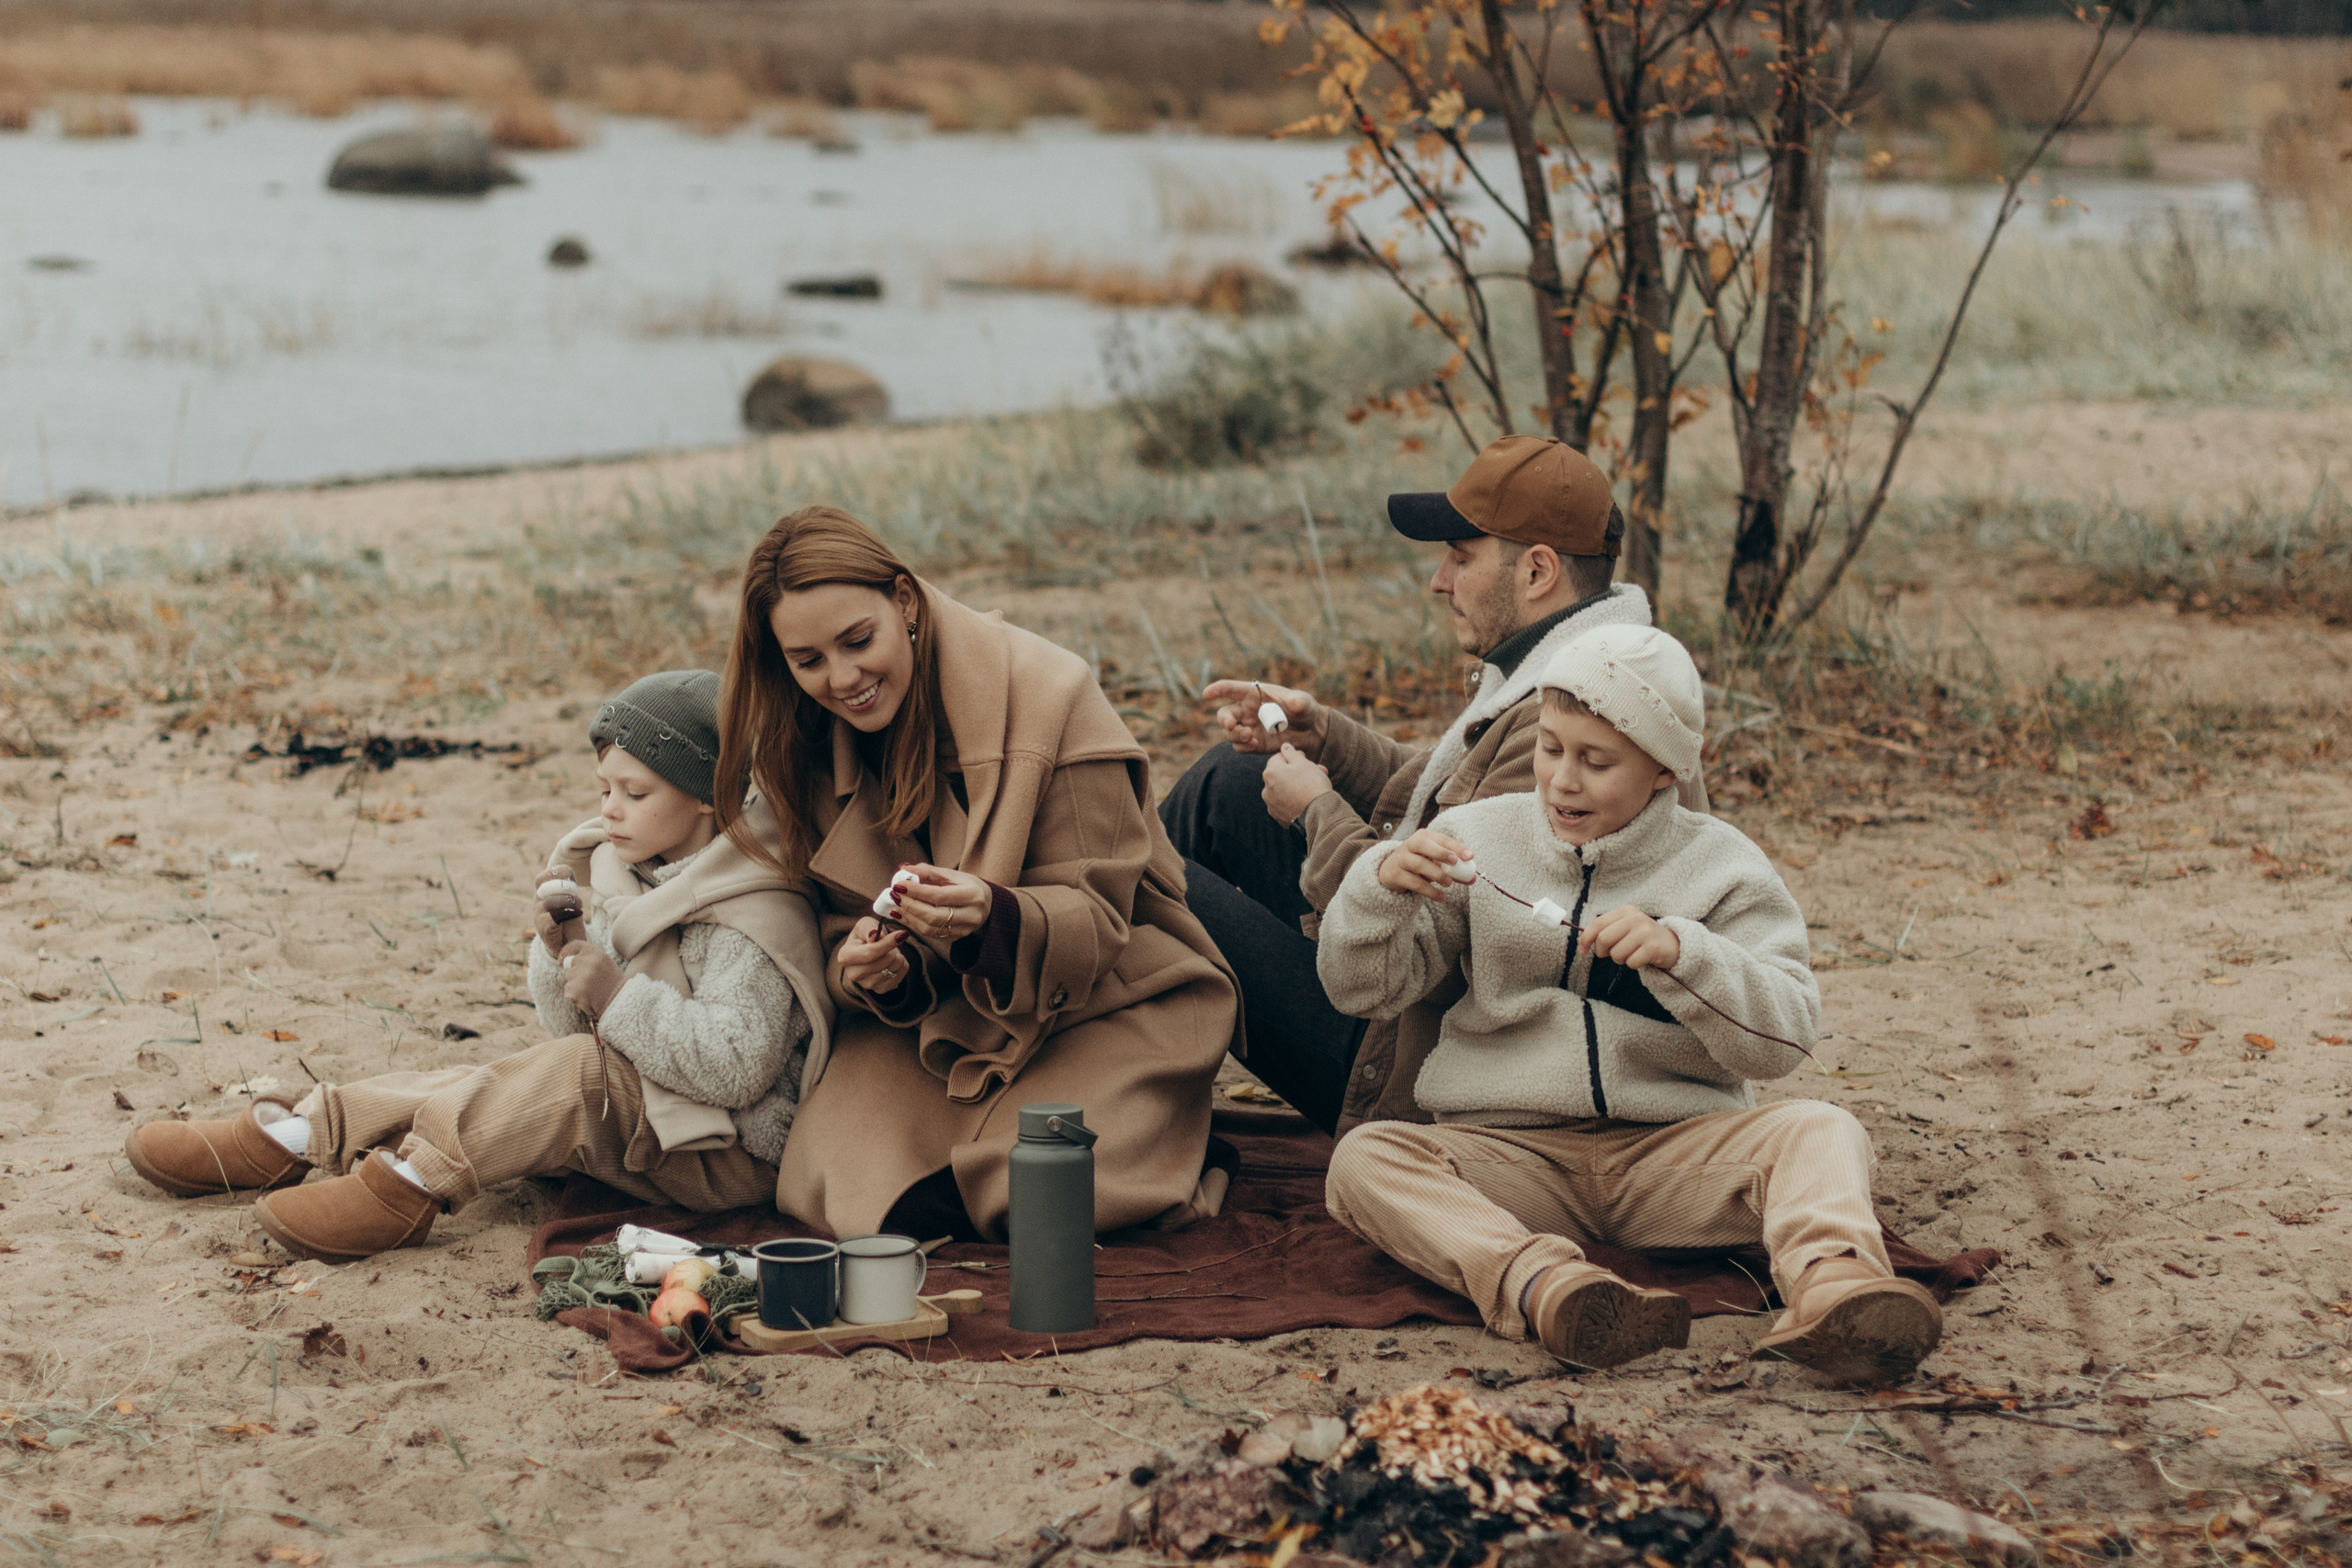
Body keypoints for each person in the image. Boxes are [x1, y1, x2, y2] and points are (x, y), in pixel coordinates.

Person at [1314, 626, 1941, 1384]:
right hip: (1515, 1161)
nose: (1562, 781)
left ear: (1663, 770)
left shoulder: (1723, 865)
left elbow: (1784, 1040)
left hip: (1673, 1161)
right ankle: (1547, 1288)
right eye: (1550, 748)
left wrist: (1688, 956)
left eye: (1595, 760)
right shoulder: (1475, 840)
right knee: (1364, 1160)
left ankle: (1836, 1291)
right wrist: (1379, 887)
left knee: (1824, 1127)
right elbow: (1361, 988)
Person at [122, 671, 833, 1264]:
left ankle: (411, 1184)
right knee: (491, 1078)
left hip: (729, 1150)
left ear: (708, 795)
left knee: (569, 1078)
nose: (611, 810)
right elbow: (574, 1026)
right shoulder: (636, 873)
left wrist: (616, 996)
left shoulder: (753, 908)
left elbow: (740, 1064)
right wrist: (564, 958)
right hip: (658, 1110)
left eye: (635, 793)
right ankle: (303, 1134)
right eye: (604, 788)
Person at [717, 505, 1238, 1243]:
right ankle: (1144, 1146)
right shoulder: (809, 745)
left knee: (1039, 1195)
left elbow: (1103, 921)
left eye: (858, 641)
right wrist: (867, 969)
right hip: (940, 1024)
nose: (843, 679)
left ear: (904, 601)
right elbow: (834, 931)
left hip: (1109, 1003)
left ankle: (1183, 1144)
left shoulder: (1051, 695)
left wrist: (994, 919)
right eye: (808, 661)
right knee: (838, 1194)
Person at [1159, 434, 1701, 1135]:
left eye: (1461, 556)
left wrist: (1319, 812)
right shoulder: (1588, 670)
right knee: (1229, 779)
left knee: (1150, 879)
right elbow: (1454, 800)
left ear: (1537, 570)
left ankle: (1072, 1044)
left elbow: (1450, 935)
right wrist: (1320, 734)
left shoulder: (1567, 712)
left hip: (1415, 1069)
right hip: (1416, 1001)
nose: (1440, 581)